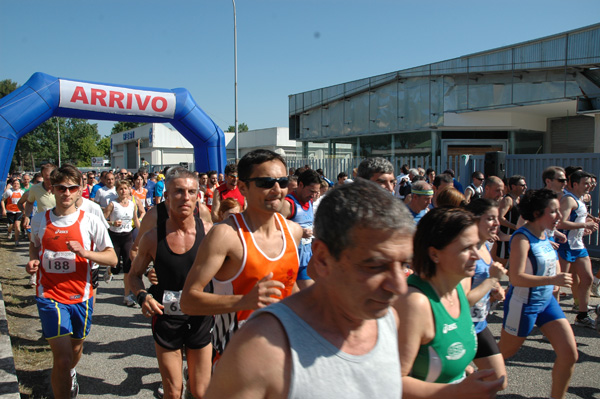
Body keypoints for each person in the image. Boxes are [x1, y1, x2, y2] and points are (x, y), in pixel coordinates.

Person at [204, 178, 414, 399]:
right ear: (323, 259)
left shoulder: (388, 321)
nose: (399, 287)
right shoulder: (262, 347)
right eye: (375, 266)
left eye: (403, 265)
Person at [180, 149, 303, 360]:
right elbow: (188, 301)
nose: (277, 189)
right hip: (235, 359)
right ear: (243, 187)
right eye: (266, 182)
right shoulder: (226, 235)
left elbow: (290, 287)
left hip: (283, 352)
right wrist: (244, 302)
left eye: (282, 182)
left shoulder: (294, 231)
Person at [26, 164, 117, 399]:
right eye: (61, 188)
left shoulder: (90, 220)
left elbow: (112, 258)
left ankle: (70, 372)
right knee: (63, 357)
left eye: (72, 188)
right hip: (50, 295)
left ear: (80, 190)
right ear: (52, 189)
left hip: (81, 295)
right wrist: (34, 261)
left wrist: (86, 254)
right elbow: (35, 246)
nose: (66, 193)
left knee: (76, 348)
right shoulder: (39, 220)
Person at [397, 207, 505, 398]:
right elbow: (394, 382)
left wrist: (464, 373)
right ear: (435, 254)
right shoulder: (416, 303)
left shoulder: (456, 289)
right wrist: (456, 391)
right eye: (465, 248)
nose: (476, 256)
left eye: (476, 246)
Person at [128, 167, 213, 399]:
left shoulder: (210, 232)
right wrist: (142, 296)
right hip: (166, 317)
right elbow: (133, 275)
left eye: (191, 192)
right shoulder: (152, 237)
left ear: (198, 196)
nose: (185, 197)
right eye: (178, 192)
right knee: (173, 392)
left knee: (200, 391)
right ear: (166, 196)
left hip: (201, 319)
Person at [499, 189, 578, 399]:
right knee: (500, 356)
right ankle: (468, 384)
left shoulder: (544, 233)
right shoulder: (521, 238)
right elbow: (515, 278)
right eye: (553, 212)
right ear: (536, 213)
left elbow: (545, 263)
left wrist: (555, 279)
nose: (559, 217)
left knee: (569, 354)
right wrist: (552, 280)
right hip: (524, 304)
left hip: (547, 303)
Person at [462, 199, 508, 388]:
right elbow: (463, 301)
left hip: (479, 323)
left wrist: (495, 289)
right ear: (474, 220)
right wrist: (491, 281)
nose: (497, 223)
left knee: (498, 380)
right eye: (490, 219)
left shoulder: (485, 246)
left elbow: (485, 281)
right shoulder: (465, 251)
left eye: (497, 218)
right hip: (461, 326)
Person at [556, 170, 599, 327]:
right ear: (574, 184)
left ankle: (582, 315)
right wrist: (584, 225)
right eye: (585, 183)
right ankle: (552, 320)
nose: (589, 186)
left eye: (590, 183)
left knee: (587, 278)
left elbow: (576, 223)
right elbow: (560, 223)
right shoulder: (569, 200)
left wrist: (584, 228)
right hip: (565, 246)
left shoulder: (580, 200)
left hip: (578, 246)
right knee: (557, 284)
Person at [280, 168, 321, 289]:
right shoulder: (288, 204)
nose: (313, 195)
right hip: (290, 262)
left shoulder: (309, 202)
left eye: (316, 192)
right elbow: (274, 229)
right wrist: (298, 232)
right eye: (311, 191)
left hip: (306, 261)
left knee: (314, 296)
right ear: (301, 185)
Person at [103, 179, 141, 306]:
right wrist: (112, 223)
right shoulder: (112, 204)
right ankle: (109, 270)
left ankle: (127, 296)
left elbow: (135, 220)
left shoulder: (132, 204)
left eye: (125, 188)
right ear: (117, 191)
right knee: (114, 265)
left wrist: (142, 235)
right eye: (120, 189)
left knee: (127, 268)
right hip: (114, 237)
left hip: (127, 237)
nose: (123, 191)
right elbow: (102, 220)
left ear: (129, 189)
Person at [493, 175, 527, 265]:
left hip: (516, 237)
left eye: (525, 185)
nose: (525, 188)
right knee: (501, 265)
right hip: (506, 238)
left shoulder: (519, 199)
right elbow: (500, 218)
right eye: (522, 185)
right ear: (513, 186)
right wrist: (516, 227)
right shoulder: (508, 200)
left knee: (515, 264)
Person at [2, 178, 24, 246]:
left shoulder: (22, 192)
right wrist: (3, 209)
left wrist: (25, 210)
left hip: (19, 210)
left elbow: (24, 202)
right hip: (10, 210)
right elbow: (3, 200)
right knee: (11, 225)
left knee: (17, 226)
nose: (16, 185)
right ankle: (9, 231)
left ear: (20, 185)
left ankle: (16, 240)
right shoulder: (9, 191)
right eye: (15, 184)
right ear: (12, 185)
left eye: (17, 184)